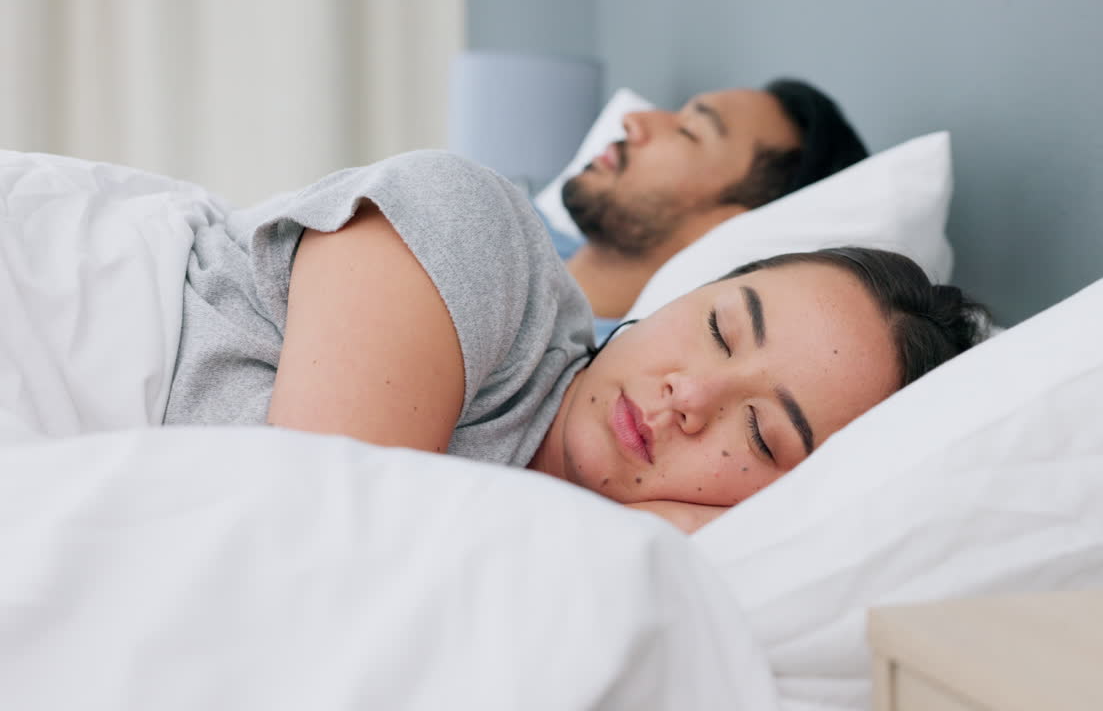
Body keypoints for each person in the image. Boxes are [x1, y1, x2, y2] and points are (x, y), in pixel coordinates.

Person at [165, 151, 985, 532]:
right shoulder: (478, 244)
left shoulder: (607, 568)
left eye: (763, 436)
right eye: (716, 329)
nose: (690, 398)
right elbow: (292, 553)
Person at [551, 78, 869, 341]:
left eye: (689, 130)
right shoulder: (521, 231)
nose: (633, 119)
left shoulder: (561, 377)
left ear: (731, 225)